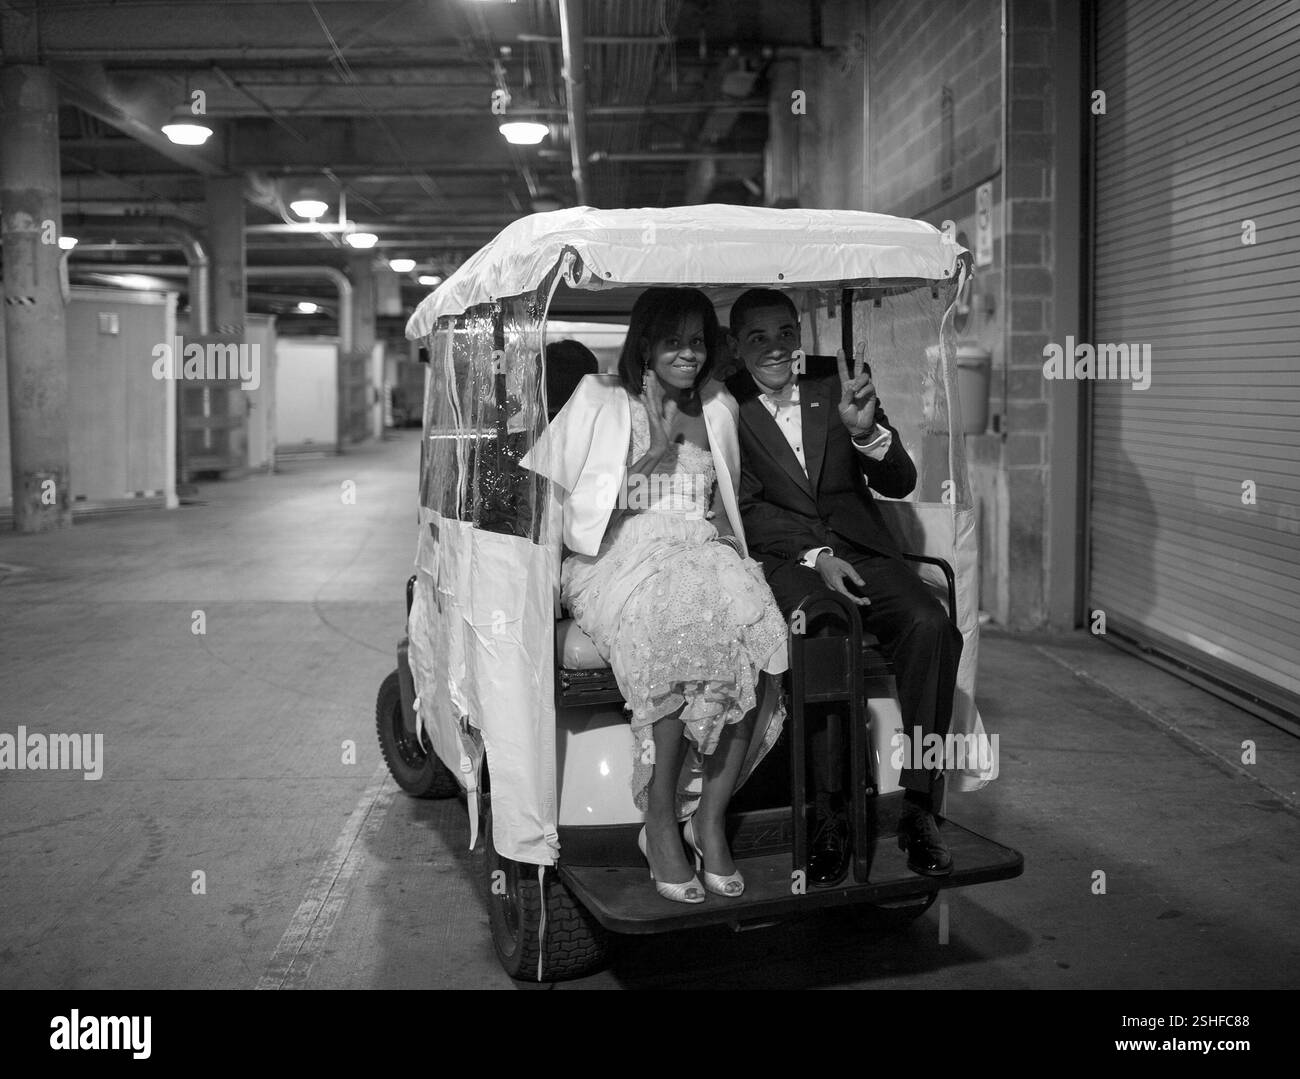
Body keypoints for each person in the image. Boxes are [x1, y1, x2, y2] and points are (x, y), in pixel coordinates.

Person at [524, 287, 788, 904]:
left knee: (766, 636)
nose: (688, 355)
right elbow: (555, 505)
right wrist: (649, 462)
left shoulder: (718, 404)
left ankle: (710, 818)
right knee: (675, 633)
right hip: (614, 552)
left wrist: (733, 554)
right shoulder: (599, 397)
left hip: (698, 545)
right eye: (673, 342)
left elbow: (722, 499)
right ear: (645, 343)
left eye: (698, 342)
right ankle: (661, 823)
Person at [725, 288, 961, 883]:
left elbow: (901, 480)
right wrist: (816, 555)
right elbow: (745, 508)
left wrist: (864, 434)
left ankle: (919, 805)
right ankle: (831, 812)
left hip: (866, 551)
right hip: (790, 561)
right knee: (823, 629)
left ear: (798, 332)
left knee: (930, 622)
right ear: (736, 346)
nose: (775, 347)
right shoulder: (723, 402)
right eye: (757, 338)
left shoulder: (837, 381)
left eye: (784, 332)